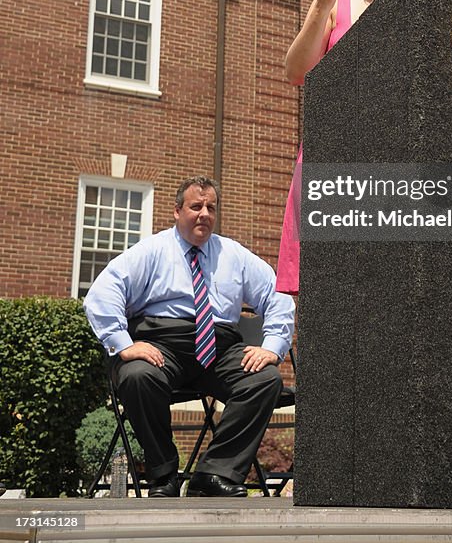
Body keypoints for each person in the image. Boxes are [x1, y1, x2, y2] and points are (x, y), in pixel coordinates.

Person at [84, 175, 295, 498]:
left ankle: (213, 474)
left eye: (211, 207)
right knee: (138, 375)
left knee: (264, 380)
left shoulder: (233, 255)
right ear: (177, 211)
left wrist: (272, 347)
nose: (204, 214)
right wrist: (124, 344)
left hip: (220, 349)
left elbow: (277, 291)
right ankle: (163, 473)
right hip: (162, 345)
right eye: (196, 206)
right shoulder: (152, 251)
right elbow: (103, 291)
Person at [276, 0, 423, 294]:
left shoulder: (425, 3)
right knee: (336, 297)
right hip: (339, 158)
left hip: (402, 163)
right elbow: (295, 72)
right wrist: (323, 0)